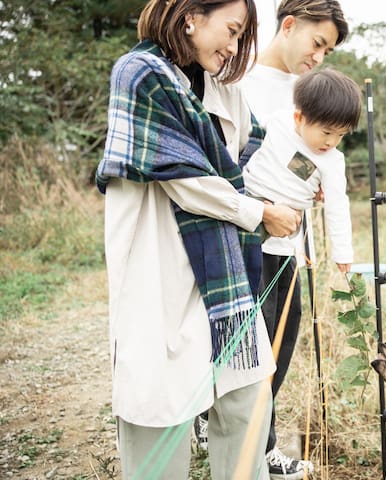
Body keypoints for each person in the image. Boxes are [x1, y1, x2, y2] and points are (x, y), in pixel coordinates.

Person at [95, 0, 302, 478]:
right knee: (158, 402)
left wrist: (302, 180)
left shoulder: (222, 86)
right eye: (230, 31)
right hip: (158, 260)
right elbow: (186, 180)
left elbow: (250, 153)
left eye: (240, 36)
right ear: (191, 15)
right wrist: (260, 212)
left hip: (222, 268)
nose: (233, 47)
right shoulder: (139, 74)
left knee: (246, 395)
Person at [240, 1, 350, 478]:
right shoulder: (237, 80)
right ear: (288, 25)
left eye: (328, 50)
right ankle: (247, 442)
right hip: (243, 233)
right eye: (317, 43)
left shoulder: (312, 93)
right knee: (249, 338)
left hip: (291, 242)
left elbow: (315, 169)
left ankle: (251, 432)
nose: (319, 57)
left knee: (282, 337)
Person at [243, 68, 361, 276]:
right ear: (299, 118)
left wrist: (342, 252)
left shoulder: (332, 160)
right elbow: (243, 136)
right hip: (249, 201)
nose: (331, 141)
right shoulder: (277, 121)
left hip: (283, 228)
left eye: (340, 134)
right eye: (326, 132)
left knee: (278, 294)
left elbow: (338, 205)